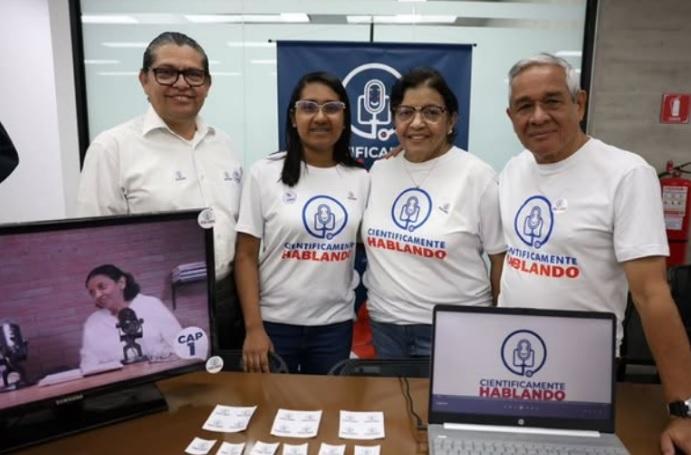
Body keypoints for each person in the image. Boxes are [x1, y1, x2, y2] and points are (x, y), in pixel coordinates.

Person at [499, 53, 691, 455]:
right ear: (511, 116)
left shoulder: (626, 174)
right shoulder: (514, 170)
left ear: (579, 103)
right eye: (524, 106)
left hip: (581, 370)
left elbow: (652, 296)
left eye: (552, 101)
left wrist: (684, 410)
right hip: (510, 361)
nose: (538, 116)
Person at [76, 32, 243, 350]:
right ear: (144, 79)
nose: (181, 83)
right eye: (166, 72)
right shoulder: (112, 148)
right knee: (179, 380)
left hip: (229, 298)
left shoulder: (223, 144)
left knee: (233, 380)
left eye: (193, 74)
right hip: (167, 301)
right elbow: (95, 237)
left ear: (207, 84)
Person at [361, 67, 506, 358]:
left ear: (451, 120)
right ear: (394, 119)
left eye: (431, 112)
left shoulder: (478, 176)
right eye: (406, 113)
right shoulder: (380, 170)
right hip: (385, 327)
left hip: (454, 328)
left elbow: (500, 260)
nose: (417, 123)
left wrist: (499, 324)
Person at [235, 71, 369, 374]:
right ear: (293, 118)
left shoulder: (361, 178)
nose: (320, 117)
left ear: (344, 119)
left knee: (327, 401)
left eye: (332, 108)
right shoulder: (264, 173)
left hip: (334, 325)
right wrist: (253, 328)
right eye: (309, 107)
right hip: (274, 324)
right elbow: (245, 255)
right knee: (270, 401)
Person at [80, 264, 182, 372]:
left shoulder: (151, 304)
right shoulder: (93, 322)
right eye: (92, 293)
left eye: (102, 287)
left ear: (121, 283)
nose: (97, 295)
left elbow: (179, 345)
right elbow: (88, 366)